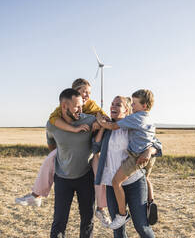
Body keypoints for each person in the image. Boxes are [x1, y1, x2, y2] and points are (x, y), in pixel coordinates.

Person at [15, 78, 110, 227]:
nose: (87, 96)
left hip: (88, 156)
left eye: (89, 93)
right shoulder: (60, 111)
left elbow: (104, 118)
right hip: (64, 155)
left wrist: (100, 121)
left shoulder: (91, 106)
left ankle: (101, 208)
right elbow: (53, 121)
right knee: (49, 160)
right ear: (74, 92)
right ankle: (36, 195)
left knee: (100, 171)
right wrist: (73, 131)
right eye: (84, 92)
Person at [93, 95, 162, 237]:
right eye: (112, 103)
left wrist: (149, 151)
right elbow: (95, 148)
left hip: (135, 182)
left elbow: (157, 145)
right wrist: (102, 127)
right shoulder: (107, 129)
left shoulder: (133, 126)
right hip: (112, 185)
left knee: (141, 226)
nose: (113, 106)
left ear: (126, 110)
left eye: (118, 104)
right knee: (118, 230)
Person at [47, 88, 96, 237]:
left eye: (82, 106)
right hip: (62, 179)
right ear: (64, 106)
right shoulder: (52, 126)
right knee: (59, 221)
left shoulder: (89, 120)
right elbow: (52, 145)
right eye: (76, 107)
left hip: (85, 177)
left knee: (88, 219)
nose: (81, 110)